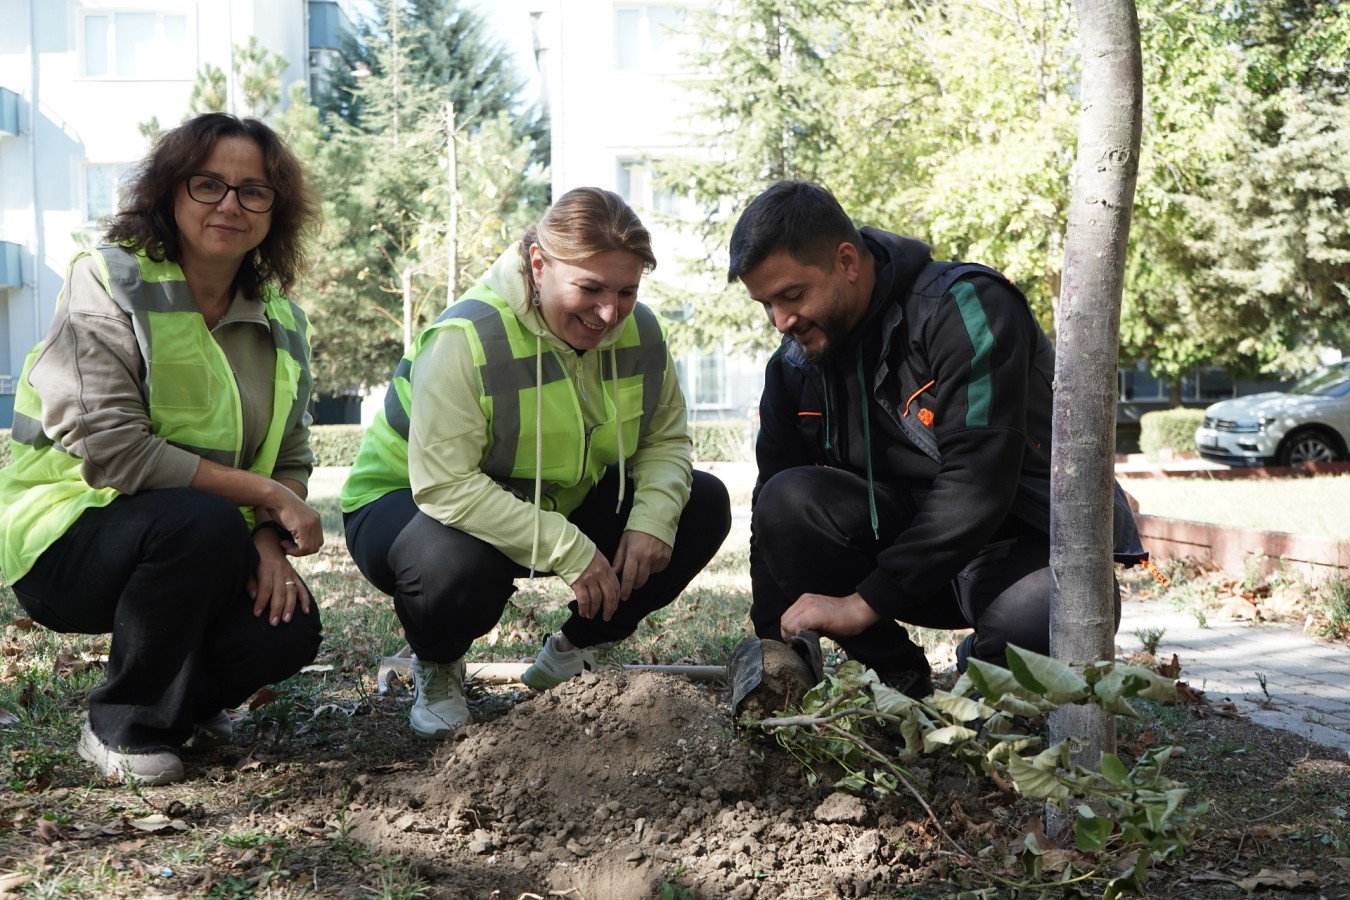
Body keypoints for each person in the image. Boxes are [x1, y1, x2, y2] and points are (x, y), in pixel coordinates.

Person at [0, 113, 324, 784]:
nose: (230, 204)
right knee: (194, 519)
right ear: (169, 192)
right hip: (66, 539)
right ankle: (122, 727)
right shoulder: (109, 279)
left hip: (197, 544)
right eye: (208, 184)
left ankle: (184, 706)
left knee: (288, 627)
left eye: (254, 190)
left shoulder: (283, 321)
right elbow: (116, 451)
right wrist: (262, 497)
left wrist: (267, 542)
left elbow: (289, 459)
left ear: (275, 210)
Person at [341, 187, 732, 739]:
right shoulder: (465, 336)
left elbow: (664, 441)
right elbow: (446, 486)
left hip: (554, 500)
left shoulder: (641, 332)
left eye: (626, 291)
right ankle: (437, 664)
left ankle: (570, 654)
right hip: (409, 505)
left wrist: (652, 519)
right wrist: (567, 547)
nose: (608, 312)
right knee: (448, 563)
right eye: (590, 288)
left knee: (701, 503)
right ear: (539, 264)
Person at [728, 180, 1146, 697]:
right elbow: (769, 513)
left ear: (847, 261)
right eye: (765, 304)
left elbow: (979, 481)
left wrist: (862, 604)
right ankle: (901, 681)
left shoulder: (967, 307)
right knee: (785, 498)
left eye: (792, 296)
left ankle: (984, 668)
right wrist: (773, 644)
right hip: (903, 555)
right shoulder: (793, 366)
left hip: (1016, 548)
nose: (780, 321)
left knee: (1047, 618)